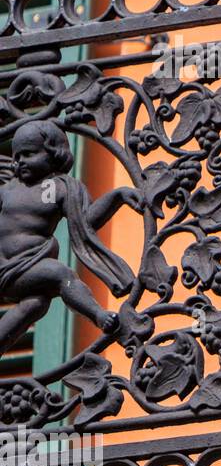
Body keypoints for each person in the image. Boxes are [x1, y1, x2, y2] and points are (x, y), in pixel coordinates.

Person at [0, 120, 141, 356]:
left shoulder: (61, 188)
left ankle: (97, 315)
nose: (21, 161)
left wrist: (117, 196)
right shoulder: (8, 189)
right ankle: (97, 314)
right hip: (3, 264)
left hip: (26, 267)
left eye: (29, 154)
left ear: (53, 153)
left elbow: (87, 221)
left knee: (39, 299)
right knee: (54, 280)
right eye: (17, 157)